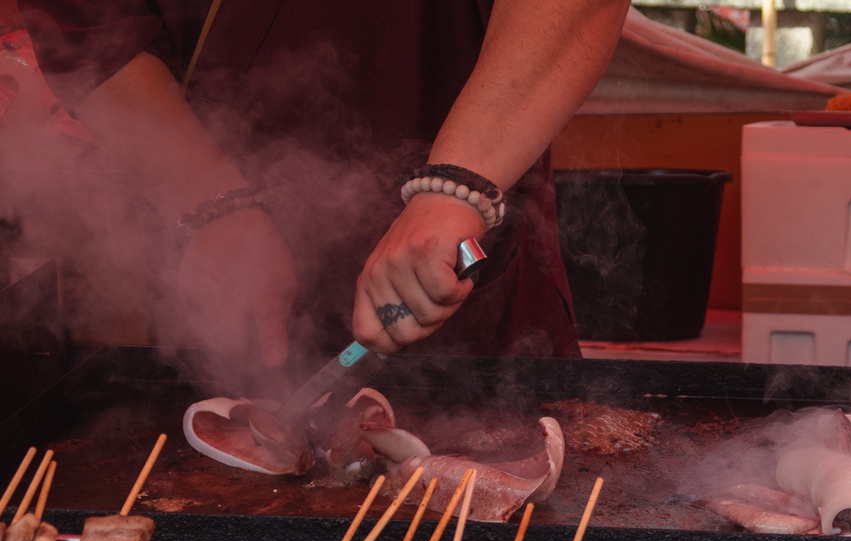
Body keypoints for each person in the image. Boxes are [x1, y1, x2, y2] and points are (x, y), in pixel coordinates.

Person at [16, 0, 631, 368]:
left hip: (479, 263)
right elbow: (88, 29)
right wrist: (211, 202)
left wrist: (455, 187)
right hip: (221, 296)